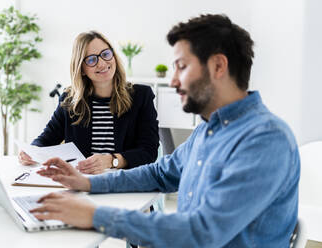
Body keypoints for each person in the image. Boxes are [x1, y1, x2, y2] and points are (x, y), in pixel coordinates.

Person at [30, 14, 300, 247]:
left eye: (181, 67)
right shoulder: (208, 130)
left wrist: (93, 215)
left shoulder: (265, 139)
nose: (172, 81)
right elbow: (159, 173)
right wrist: (87, 183)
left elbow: (202, 232)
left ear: (218, 66)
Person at [18, 31, 159, 174]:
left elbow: (149, 151)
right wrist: (31, 152)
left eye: (105, 54)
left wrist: (111, 161)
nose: (102, 63)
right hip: (83, 182)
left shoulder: (141, 96)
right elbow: (46, 139)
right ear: (82, 69)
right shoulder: (70, 100)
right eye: (91, 60)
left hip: (125, 181)